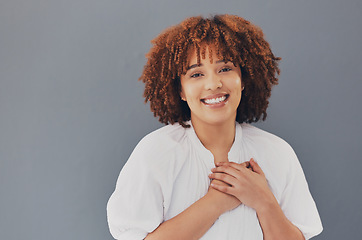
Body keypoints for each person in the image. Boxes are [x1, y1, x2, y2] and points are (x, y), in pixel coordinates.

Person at [107, 14, 323, 240]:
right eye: (196, 74)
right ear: (180, 90)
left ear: (244, 78)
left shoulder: (278, 153)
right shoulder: (155, 153)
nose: (213, 84)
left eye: (225, 69)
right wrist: (216, 202)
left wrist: (264, 200)